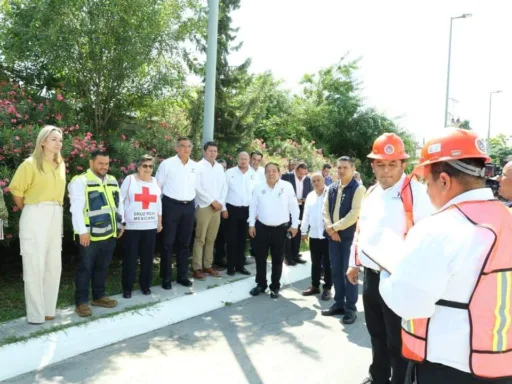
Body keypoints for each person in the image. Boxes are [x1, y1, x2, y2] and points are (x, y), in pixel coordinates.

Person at [379, 129, 512, 384]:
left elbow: (407, 303)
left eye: (427, 183)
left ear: (443, 181)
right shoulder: (506, 218)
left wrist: (388, 272)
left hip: (448, 370)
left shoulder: (438, 228)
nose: (426, 191)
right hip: (501, 366)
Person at [346, 133, 434, 384]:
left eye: (392, 164)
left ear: (403, 165)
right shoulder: (372, 192)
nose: (386, 171)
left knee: (398, 339)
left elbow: (429, 241)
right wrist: (354, 263)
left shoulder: (417, 194)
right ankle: (378, 377)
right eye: (381, 164)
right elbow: (361, 230)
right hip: (372, 277)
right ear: (372, 165)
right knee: (376, 333)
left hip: (400, 279)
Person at [9, 125, 65, 324]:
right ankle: (35, 314)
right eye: (53, 139)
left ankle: (49, 309)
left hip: (56, 213)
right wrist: (32, 211)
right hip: (35, 212)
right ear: (42, 142)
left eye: (60, 140)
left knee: (53, 264)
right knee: (34, 264)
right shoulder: (30, 164)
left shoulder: (61, 164)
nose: (58, 143)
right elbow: (17, 193)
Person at [69, 149, 123, 317]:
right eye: (100, 163)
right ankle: (81, 302)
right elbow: (76, 210)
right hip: (89, 236)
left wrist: (121, 224)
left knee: (102, 267)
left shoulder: (112, 180)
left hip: (109, 234)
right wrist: (82, 232)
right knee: (85, 268)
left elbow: (118, 204)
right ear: (91, 163)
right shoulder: (80, 181)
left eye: (106, 164)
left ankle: (99, 296)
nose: (104, 167)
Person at [322, 156, 366, 324]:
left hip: (349, 238)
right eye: (339, 167)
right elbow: (325, 210)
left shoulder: (358, 188)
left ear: (353, 169)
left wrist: (334, 228)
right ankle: (339, 303)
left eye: (345, 167)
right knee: (336, 271)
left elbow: (355, 214)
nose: (341, 170)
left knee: (349, 273)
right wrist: (329, 229)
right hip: (333, 237)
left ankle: (350, 309)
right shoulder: (332, 187)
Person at [248, 163, 299, 298]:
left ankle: (275, 286)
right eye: (268, 171)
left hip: (280, 229)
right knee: (260, 258)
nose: (271, 173)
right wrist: (251, 224)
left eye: (274, 171)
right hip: (262, 228)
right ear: (264, 173)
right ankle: (261, 284)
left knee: (277, 259)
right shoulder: (259, 187)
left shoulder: (286, 187)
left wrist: (295, 225)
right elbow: (253, 206)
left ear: (279, 173)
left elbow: (294, 207)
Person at [156, 137, 198, 288]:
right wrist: (159, 211)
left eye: (189, 146)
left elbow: (197, 188)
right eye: (183, 146)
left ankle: (182, 275)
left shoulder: (195, 166)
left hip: (188, 207)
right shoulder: (167, 164)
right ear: (176, 148)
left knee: (185, 243)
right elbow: (158, 188)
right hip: (171, 206)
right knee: (168, 243)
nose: (186, 149)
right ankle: (166, 278)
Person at [119, 154, 162, 298]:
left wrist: (159, 221)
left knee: (147, 259)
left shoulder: (155, 181)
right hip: (132, 227)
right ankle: (127, 288)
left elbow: (158, 203)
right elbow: (120, 200)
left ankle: (145, 286)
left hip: (150, 226)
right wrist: (122, 222)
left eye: (150, 166)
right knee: (130, 259)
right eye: (145, 166)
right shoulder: (130, 180)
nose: (148, 169)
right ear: (138, 167)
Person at [192, 141, 227, 280]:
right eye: (210, 151)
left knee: (211, 238)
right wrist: (211, 201)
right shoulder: (198, 166)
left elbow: (224, 187)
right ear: (204, 151)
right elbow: (197, 187)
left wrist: (220, 203)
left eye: (215, 151)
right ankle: (197, 267)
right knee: (200, 238)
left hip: (217, 207)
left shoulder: (219, 168)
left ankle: (207, 265)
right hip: (204, 206)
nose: (213, 153)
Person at [223, 152, 256, 276]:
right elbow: (223, 191)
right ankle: (230, 267)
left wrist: (255, 211)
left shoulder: (253, 174)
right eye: (241, 158)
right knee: (231, 239)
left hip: (247, 210)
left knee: (243, 239)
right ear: (237, 159)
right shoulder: (229, 173)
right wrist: (223, 208)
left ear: (249, 160)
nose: (243, 161)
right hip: (231, 209)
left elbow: (256, 194)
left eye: (246, 159)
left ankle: (240, 265)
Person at [301, 172, 332, 300]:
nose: (316, 183)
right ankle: (315, 286)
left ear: (324, 180)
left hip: (328, 235)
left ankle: (328, 288)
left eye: (318, 180)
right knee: (315, 262)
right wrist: (303, 231)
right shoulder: (310, 196)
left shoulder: (331, 193)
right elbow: (306, 215)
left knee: (328, 263)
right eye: (313, 181)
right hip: (314, 235)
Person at [281, 162, 311, 265]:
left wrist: (304, 200)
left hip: (301, 208)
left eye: (304, 174)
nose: (301, 176)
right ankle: (287, 257)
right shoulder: (286, 176)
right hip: (288, 209)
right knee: (289, 232)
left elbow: (309, 193)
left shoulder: (307, 179)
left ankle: (295, 254)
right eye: (299, 174)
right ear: (295, 170)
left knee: (297, 231)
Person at [214, 159, 228, 270]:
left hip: (225, 211)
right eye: (221, 167)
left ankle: (220, 258)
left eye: (225, 168)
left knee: (222, 236)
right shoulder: (214, 178)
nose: (223, 169)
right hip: (213, 208)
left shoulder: (227, 178)